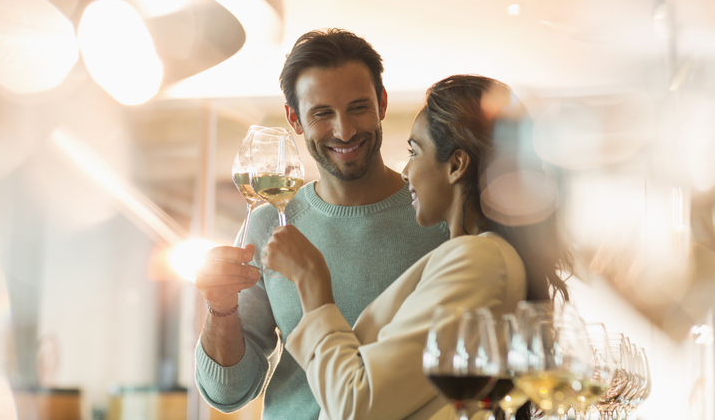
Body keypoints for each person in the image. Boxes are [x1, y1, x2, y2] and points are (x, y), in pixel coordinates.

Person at [262, 74, 572, 419]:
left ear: (455, 165)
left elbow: (357, 404)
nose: (406, 171)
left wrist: (311, 282)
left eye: (414, 151)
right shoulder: (482, 254)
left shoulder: (478, 257)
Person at [193, 29, 450, 419]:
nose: (344, 131)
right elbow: (228, 394)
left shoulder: (439, 218)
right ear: (295, 119)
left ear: (382, 103)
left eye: (358, 107)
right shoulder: (268, 226)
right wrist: (221, 309)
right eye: (322, 114)